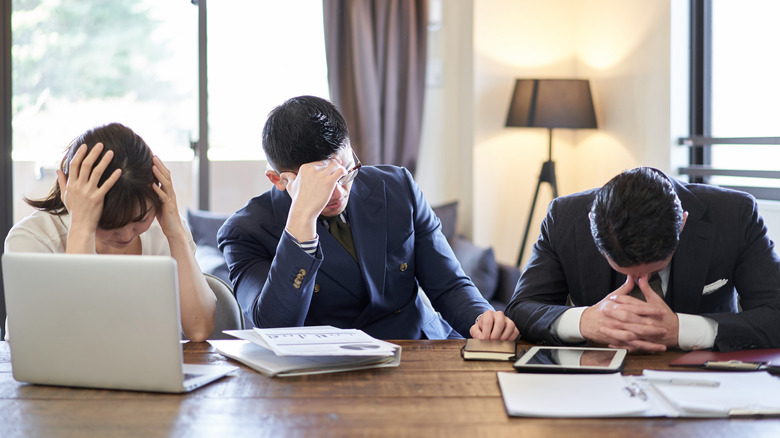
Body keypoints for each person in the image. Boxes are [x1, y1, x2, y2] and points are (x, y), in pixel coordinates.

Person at [217, 95, 518, 340]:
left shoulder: (396, 186)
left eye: (344, 173)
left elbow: (448, 284)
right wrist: (302, 220)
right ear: (278, 179)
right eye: (321, 182)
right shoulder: (245, 231)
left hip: (421, 346)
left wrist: (482, 318)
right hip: (325, 374)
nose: (337, 193)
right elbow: (274, 328)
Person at [505, 166, 780, 352]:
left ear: (682, 224)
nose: (638, 281)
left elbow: (775, 314)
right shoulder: (563, 218)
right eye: (623, 268)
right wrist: (584, 321)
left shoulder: (735, 215)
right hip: (594, 385)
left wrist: (682, 330)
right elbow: (522, 308)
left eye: (654, 269)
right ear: (592, 224)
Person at [5, 123, 216, 342]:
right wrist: (82, 228)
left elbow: (199, 329)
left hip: (148, 372)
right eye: (108, 225)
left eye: (140, 219)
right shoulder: (33, 239)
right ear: (73, 194)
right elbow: (67, 338)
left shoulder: (165, 229)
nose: (126, 235)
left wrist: (176, 235)